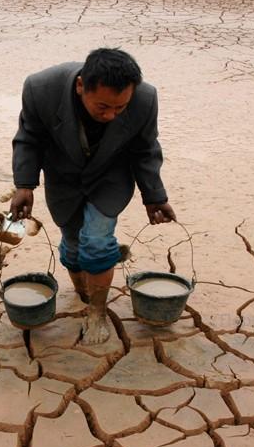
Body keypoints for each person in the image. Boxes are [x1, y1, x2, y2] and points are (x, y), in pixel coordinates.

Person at [10, 47, 176, 345]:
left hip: (111, 176)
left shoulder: (144, 99)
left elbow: (145, 151)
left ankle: (97, 311)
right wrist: (25, 185)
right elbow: (29, 138)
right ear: (80, 86)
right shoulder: (40, 89)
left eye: (120, 109)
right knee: (73, 247)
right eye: (102, 107)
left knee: (97, 243)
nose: (111, 115)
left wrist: (154, 197)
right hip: (64, 176)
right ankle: (85, 292)